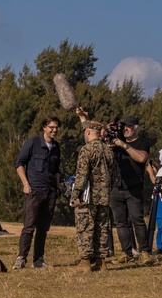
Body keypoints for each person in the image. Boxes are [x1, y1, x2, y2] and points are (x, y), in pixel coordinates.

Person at [76, 110, 154, 264]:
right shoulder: (113, 141)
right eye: (124, 126)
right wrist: (84, 118)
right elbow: (92, 134)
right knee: (120, 222)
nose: (126, 129)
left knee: (136, 219)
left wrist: (123, 145)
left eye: (129, 126)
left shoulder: (141, 142)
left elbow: (142, 158)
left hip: (133, 188)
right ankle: (126, 252)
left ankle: (144, 252)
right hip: (115, 187)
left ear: (136, 128)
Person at [14, 116, 62, 269]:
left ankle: (38, 260)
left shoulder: (56, 147)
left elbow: (56, 171)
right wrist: (25, 184)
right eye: (51, 127)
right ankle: (21, 258)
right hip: (34, 191)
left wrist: (58, 187)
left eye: (56, 127)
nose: (54, 130)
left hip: (50, 193)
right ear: (44, 127)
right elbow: (19, 164)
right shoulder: (32, 143)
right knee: (29, 226)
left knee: (43, 228)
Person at [70, 121, 115, 271]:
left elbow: (81, 176)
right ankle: (101, 261)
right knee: (102, 228)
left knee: (85, 227)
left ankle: (85, 262)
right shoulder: (108, 151)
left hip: (87, 197)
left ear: (88, 132)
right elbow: (113, 175)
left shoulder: (86, 150)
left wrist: (75, 194)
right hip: (104, 196)